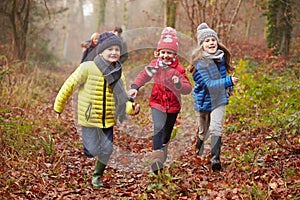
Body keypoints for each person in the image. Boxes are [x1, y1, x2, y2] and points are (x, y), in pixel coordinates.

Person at [54, 32, 140, 188]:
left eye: (117, 49)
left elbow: (122, 98)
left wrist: (132, 108)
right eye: (110, 49)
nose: (114, 52)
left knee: (107, 149)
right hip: (89, 118)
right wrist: (58, 106)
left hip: (108, 118)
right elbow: (69, 86)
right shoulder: (87, 68)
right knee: (92, 150)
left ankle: (97, 177)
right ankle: (91, 152)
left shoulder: (118, 74)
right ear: (101, 51)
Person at [128, 27, 192, 174]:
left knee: (166, 134)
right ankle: (156, 158)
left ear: (175, 54)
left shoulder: (179, 70)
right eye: (163, 52)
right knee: (158, 127)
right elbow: (144, 75)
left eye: (169, 52)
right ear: (158, 53)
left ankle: (161, 156)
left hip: (173, 107)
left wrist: (178, 83)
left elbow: (187, 88)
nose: (165, 55)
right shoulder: (155, 66)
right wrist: (135, 87)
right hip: (157, 103)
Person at [187, 23, 239, 171]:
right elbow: (209, 84)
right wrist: (228, 81)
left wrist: (228, 86)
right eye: (207, 40)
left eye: (213, 40)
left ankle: (215, 159)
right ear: (201, 45)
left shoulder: (221, 58)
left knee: (216, 127)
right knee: (204, 131)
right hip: (203, 100)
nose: (211, 43)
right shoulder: (199, 64)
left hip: (218, 99)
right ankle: (199, 144)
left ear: (217, 42)